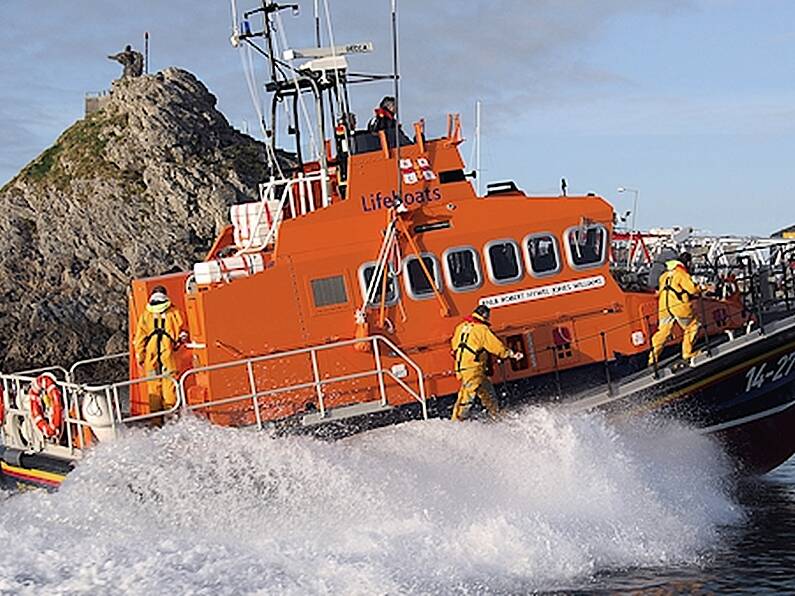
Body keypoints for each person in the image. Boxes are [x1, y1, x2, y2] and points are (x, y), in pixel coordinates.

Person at [450, 304, 523, 421]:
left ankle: (495, 416)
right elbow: (497, 347)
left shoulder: (461, 327)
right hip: (473, 368)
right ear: (485, 316)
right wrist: (511, 354)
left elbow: (454, 345)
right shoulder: (482, 330)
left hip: (464, 367)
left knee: (488, 392)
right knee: (466, 397)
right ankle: (457, 422)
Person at [133, 286, 187, 412]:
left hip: (151, 356)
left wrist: (140, 356)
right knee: (170, 384)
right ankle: (171, 416)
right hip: (168, 354)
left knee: (153, 387)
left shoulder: (146, 315)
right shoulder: (174, 312)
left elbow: (139, 339)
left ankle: (156, 420)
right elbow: (183, 332)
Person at [647, 252, 702, 367]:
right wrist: (703, 288)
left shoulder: (664, 275)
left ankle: (652, 358)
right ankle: (687, 353)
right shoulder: (681, 274)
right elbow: (692, 289)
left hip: (664, 306)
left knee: (663, 332)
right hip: (678, 305)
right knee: (692, 326)